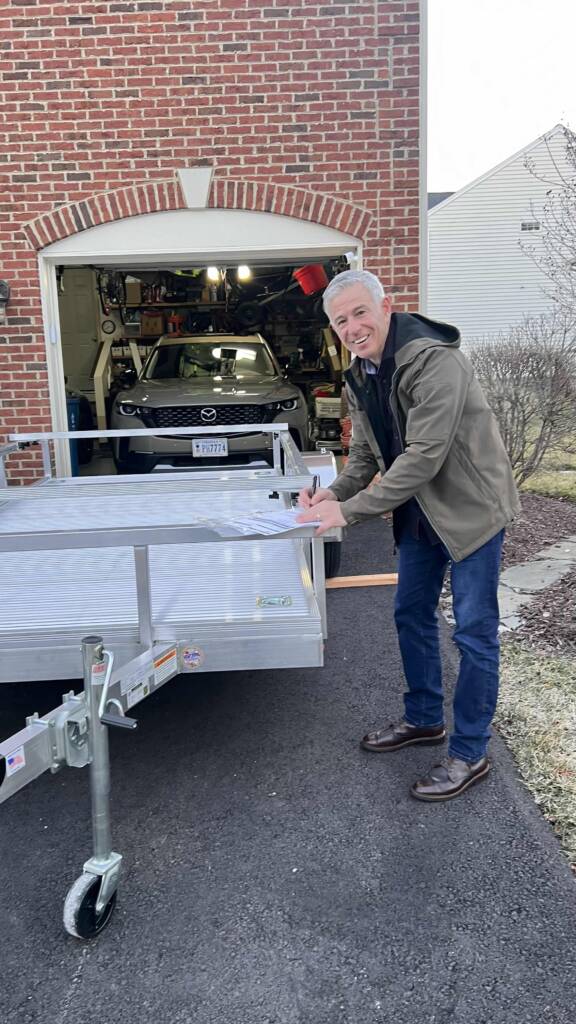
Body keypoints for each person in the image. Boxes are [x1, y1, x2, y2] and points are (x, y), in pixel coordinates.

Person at [297, 270, 520, 802]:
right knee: (410, 613)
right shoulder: (359, 375)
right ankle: (425, 719)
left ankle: (470, 752)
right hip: (419, 514)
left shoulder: (435, 361)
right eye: (339, 321)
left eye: (359, 313)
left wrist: (347, 514)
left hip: (470, 514)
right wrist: (333, 493)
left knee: (473, 632)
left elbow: (423, 456)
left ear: (385, 306)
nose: (352, 328)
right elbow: (368, 457)